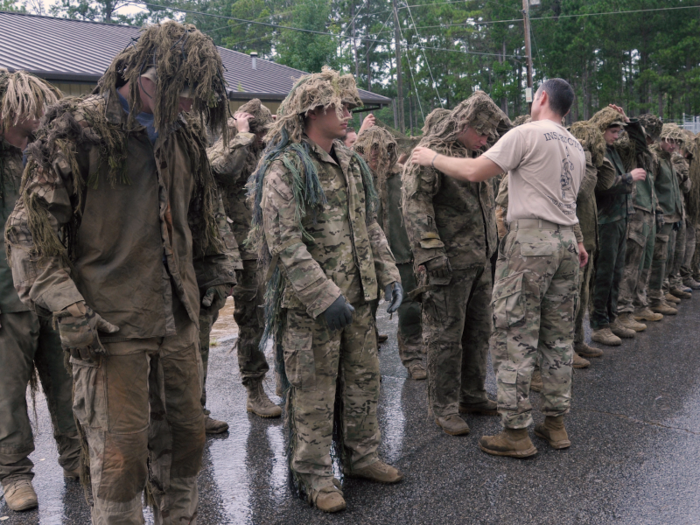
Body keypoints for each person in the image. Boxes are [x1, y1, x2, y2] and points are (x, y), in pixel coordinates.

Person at [6, 22, 235, 524]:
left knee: (186, 436)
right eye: (186, 91)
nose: (193, 104)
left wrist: (218, 269)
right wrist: (69, 307)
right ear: (149, 78)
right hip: (110, 325)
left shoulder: (183, 136)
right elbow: (28, 233)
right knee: (120, 457)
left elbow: (206, 213)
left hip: (177, 316)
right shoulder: (78, 131)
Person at [248, 67, 404, 513]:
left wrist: (388, 273)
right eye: (342, 106)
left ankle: (362, 456)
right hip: (311, 308)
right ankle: (315, 476)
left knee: (362, 383)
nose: (351, 112)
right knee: (312, 392)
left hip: (357, 298)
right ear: (313, 109)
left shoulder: (351, 162)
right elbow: (284, 243)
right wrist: (323, 295)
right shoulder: (287, 167)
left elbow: (368, 222)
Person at [411, 78, 588, 457]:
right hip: (563, 245)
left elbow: (476, 171)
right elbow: (568, 201)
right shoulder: (575, 146)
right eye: (481, 128)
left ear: (541, 97)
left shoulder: (526, 134)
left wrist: (431, 157)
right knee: (557, 340)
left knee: (514, 337)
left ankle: (516, 433)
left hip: (528, 246)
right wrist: (579, 240)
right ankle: (555, 424)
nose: (489, 134)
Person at [0, 69, 81, 513]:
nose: (34, 118)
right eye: (24, 110)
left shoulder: (41, 160)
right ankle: (13, 474)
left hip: (48, 291)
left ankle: (75, 458)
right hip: (5, 300)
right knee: (7, 395)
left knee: (66, 383)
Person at [402, 91, 504, 437]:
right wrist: (430, 256)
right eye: (481, 131)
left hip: (480, 259)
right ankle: (444, 406)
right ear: (464, 125)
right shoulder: (430, 155)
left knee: (478, 332)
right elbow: (416, 207)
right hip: (448, 263)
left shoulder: (476, 154)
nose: (486, 138)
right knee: (445, 337)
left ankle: (472, 394)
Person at [207, 99, 281, 423]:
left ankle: (257, 388)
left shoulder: (264, 149)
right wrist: (240, 135)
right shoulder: (228, 144)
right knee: (204, 325)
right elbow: (223, 171)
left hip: (257, 246)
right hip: (225, 247)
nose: (263, 137)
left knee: (257, 319)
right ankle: (196, 407)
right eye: (260, 131)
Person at [354, 125, 427, 380]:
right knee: (365, 313)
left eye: (383, 148)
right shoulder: (355, 179)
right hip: (365, 258)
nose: (377, 154)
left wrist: (420, 253)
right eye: (371, 148)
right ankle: (368, 363)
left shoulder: (403, 177)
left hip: (402, 255)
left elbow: (418, 215)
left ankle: (414, 357)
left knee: (410, 310)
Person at [587, 106, 648, 346]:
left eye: (619, 131)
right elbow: (603, 186)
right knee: (603, 274)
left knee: (616, 273)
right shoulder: (598, 153)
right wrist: (628, 178)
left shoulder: (613, 151)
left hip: (621, 217)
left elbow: (640, 145)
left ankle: (611, 319)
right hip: (606, 221)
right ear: (601, 130)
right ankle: (599, 324)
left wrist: (629, 121)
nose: (617, 135)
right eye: (613, 130)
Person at [568, 121, 616, 358]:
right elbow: (581, 192)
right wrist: (586, 157)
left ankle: (578, 341)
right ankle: (567, 348)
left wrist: (598, 156)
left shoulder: (589, 165)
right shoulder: (574, 164)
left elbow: (607, 179)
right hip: (575, 239)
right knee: (572, 298)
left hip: (588, 239)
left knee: (583, 294)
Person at [616, 114, 665, 326]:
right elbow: (635, 141)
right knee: (631, 264)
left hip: (648, 211)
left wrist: (658, 208)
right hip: (635, 211)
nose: (652, 142)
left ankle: (639, 304)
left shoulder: (648, 156)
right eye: (649, 136)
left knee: (644, 263)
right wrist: (631, 122)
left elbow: (651, 184)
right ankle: (624, 310)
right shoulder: (629, 149)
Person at [648, 124, 686, 316]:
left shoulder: (670, 160)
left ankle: (661, 292)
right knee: (659, 258)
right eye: (670, 140)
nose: (673, 145)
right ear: (661, 139)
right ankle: (654, 297)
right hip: (662, 216)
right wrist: (658, 211)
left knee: (667, 257)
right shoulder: (656, 159)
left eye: (677, 142)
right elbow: (651, 187)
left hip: (673, 215)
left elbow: (678, 189)